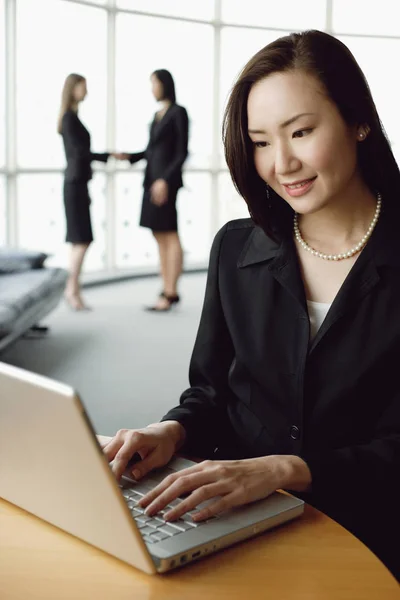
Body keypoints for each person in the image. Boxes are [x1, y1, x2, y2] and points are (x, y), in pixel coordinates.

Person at [100, 31, 400, 579]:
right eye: (260, 141)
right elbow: (214, 395)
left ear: (359, 121)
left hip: (372, 535)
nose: (281, 163)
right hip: (238, 522)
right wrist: (174, 431)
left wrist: (291, 469)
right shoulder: (237, 249)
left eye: (302, 132)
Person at [116, 69, 189, 312]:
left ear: (165, 84)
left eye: (154, 84)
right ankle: (166, 288)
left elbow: (181, 152)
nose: (152, 89)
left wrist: (165, 180)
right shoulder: (157, 115)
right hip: (151, 180)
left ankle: (171, 292)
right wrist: (131, 157)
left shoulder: (178, 113)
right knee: (159, 234)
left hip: (164, 183)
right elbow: (151, 151)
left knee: (169, 233)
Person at [58, 73, 111, 311]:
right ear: (73, 89)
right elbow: (80, 154)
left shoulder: (72, 117)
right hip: (74, 184)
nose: (86, 91)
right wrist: (107, 155)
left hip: (78, 184)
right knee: (82, 239)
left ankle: (73, 289)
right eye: (83, 87)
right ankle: (71, 290)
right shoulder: (69, 118)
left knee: (80, 240)